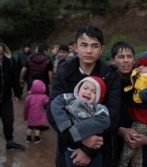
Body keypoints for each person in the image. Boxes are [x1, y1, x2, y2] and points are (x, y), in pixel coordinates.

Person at [47, 25, 121, 167]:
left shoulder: (110, 76)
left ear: (102, 49)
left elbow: (112, 115)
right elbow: (53, 111)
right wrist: (76, 139)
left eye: (94, 46)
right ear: (75, 47)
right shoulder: (64, 74)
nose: (88, 51)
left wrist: (88, 150)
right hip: (67, 148)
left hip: (102, 149)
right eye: (84, 45)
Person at [111, 41, 147, 167]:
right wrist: (120, 130)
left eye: (129, 57)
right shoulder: (108, 83)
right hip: (114, 144)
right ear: (113, 60)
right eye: (121, 57)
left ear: (135, 60)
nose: (126, 61)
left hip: (143, 143)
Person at [51, 76, 110, 167]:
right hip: (70, 147)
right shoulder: (69, 99)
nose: (88, 92)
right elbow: (55, 104)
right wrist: (66, 126)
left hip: (92, 147)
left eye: (94, 92)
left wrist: (76, 131)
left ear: (98, 97)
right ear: (78, 89)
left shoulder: (98, 108)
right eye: (85, 88)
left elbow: (104, 120)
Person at [0, 38, 25, 150]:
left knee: (9, 121)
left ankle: (9, 142)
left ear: (3, 47)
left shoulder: (10, 61)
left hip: (5, 99)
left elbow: (15, 78)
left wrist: (17, 94)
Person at [23, 79, 49, 144]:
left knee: (30, 126)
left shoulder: (29, 97)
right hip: (39, 115)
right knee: (38, 127)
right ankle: (36, 138)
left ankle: (28, 138)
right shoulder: (43, 97)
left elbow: (25, 107)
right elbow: (48, 101)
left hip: (30, 115)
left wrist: (25, 116)